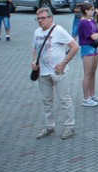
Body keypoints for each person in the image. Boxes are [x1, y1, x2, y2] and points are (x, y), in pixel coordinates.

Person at [32, 8, 79, 139]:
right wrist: (34, 61)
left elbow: (75, 46)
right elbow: (35, 48)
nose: (40, 21)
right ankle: (49, 126)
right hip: (43, 72)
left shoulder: (58, 30)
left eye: (43, 18)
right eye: (38, 19)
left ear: (50, 18)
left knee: (64, 99)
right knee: (47, 100)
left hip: (58, 71)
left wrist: (64, 63)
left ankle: (70, 126)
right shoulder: (36, 32)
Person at [77, 2, 98, 106]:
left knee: (93, 72)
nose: (93, 11)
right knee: (87, 73)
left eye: (93, 9)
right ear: (86, 11)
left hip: (94, 47)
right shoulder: (83, 22)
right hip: (87, 48)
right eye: (91, 9)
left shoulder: (91, 20)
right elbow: (94, 36)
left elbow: (97, 33)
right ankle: (86, 97)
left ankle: (92, 94)